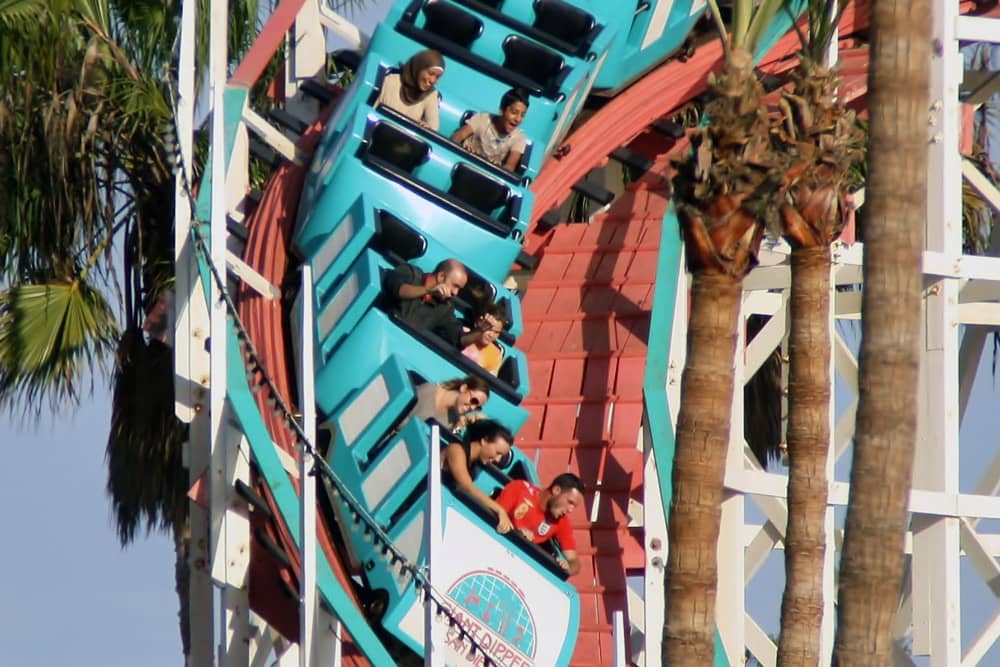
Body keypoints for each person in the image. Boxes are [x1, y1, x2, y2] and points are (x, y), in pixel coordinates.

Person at [382, 258, 495, 350]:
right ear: (441, 276)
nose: (455, 292)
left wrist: (480, 330)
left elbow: (458, 339)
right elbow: (399, 290)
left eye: (459, 289)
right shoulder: (410, 273)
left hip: (399, 347)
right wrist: (428, 290)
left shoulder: (444, 308)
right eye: (455, 286)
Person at [496, 472, 586, 574]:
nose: (570, 510)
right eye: (570, 502)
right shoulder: (520, 489)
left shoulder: (561, 522)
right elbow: (493, 514)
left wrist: (568, 567)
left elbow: (575, 562)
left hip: (519, 566)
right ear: (556, 490)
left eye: (574, 507)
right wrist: (517, 532)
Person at [441, 419, 515, 534]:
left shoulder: (473, 467)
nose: (497, 459)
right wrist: (499, 509)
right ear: (484, 440)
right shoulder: (456, 450)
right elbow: (465, 486)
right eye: (497, 452)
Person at [450, 87, 529, 171]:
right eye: (514, 113)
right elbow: (458, 136)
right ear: (502, 110)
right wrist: (462, 149)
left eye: (522, 115)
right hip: (464, 163)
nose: (518, 119)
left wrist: (499, 169)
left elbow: (510, 166)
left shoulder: (519, 138)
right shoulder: (482, 119)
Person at [374, 49, 445, 130]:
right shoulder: (390, 81)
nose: (433, 80)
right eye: (431, 73)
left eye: (437, 77)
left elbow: (433, 127)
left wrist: (428, 128)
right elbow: (372, 110)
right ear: (418, 68)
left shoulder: (431, 94)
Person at [409, 375, 490, 432]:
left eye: (477, 408)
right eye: (474, 401)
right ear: (464, 388)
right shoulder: (429, 391)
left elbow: (439, 444)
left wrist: (460, 426)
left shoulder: (454, 420)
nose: (472, 408)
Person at [461, 302, 507, 376]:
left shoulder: (495, 355)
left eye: (496, 332)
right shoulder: (463, 332)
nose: (491, 335)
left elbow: (488, 381)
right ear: (478, 322)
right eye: (488, 328)